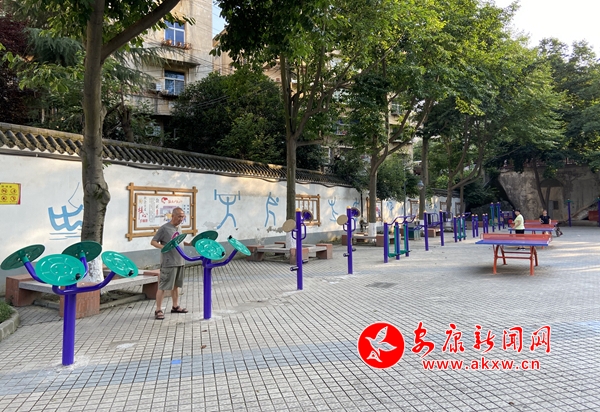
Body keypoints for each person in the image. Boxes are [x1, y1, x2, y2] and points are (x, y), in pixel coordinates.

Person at [151, 207, 191, 320]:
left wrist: (189, 244)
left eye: (183, 217)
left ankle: (175, 306)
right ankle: (158, 310)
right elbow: (153, 241)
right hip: (169, 262)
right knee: (163, 286)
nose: (181, 219)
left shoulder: (179, 227)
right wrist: (164, 247)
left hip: (180, 261)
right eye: (179, 216)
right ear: (173, 216)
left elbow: (178, 241)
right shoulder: (164, 228)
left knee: (176, 286)